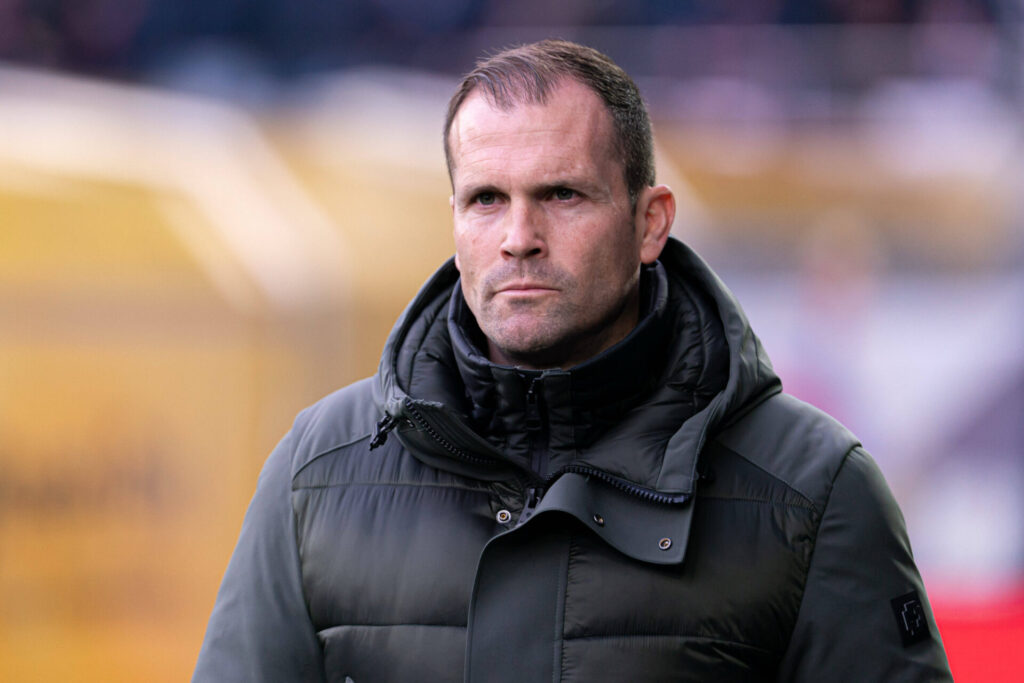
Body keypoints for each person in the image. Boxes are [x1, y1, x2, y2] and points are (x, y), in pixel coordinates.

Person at [193, 39, 952, 682]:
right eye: (486, 199)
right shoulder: (315, 473)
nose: (518, 238)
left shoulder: (815, 491)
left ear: (650, 222)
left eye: (561, 195)